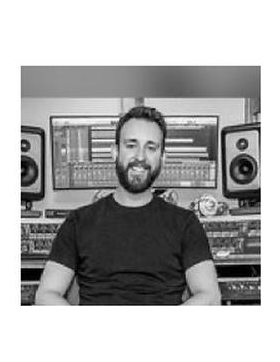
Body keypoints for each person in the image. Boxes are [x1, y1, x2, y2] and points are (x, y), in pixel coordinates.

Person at [35, 106, 221, 305]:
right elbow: (46, 295)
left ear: (163, 158)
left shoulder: (185, 224)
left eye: (151, 148)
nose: (140, 156)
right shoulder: (78, 222)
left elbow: (210, 297)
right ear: (115, 152)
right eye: (131, 145)